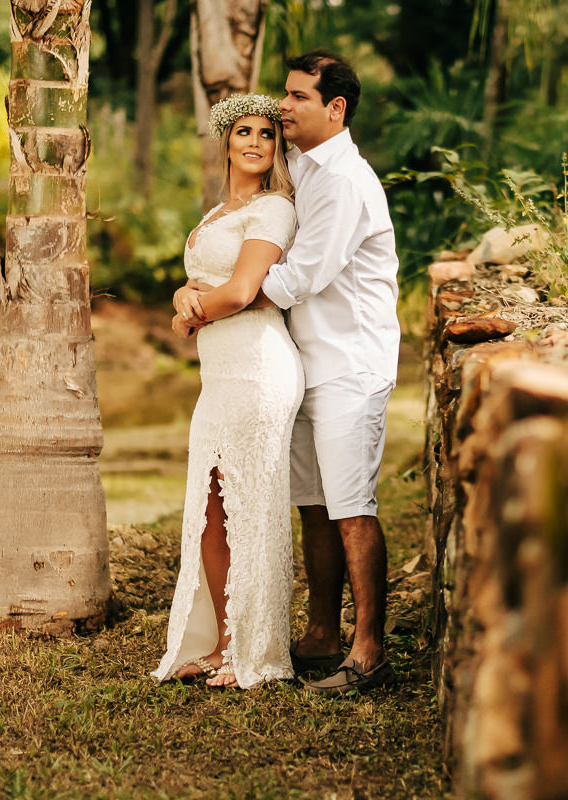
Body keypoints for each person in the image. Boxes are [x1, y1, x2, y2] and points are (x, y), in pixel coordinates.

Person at [184, 51, 401, 694]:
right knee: (313, 504)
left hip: (349, 364)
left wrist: (212, 297)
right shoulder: (302, 167)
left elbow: (302, 275)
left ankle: (368, 651)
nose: (283, 107)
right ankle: (320, 634)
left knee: (351, 506)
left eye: (298, 97)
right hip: (302, 360)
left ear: (335, 108)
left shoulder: (346, 182)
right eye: (285, 94)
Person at [151, 93, 302, 689]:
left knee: (253, 505)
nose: (256, 142)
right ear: (227, 141)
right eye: (244, 131)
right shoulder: (216, 214)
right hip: (219, 373)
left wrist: (191, 315)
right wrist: (180, 301)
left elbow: (240, 292)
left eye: (268, 133)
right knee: (213, 506)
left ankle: (255, 652)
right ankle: (220, 643)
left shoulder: (274, 210)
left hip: (259, 366)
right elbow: (197, 284)